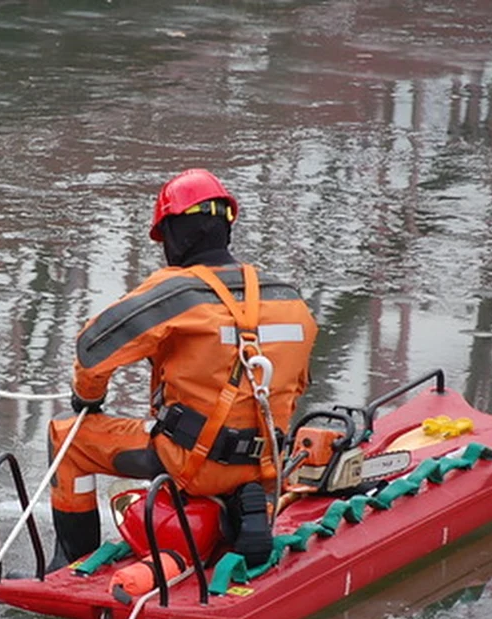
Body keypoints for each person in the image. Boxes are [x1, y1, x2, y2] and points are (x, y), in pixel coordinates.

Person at [46, 168, 318, 569]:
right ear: (226, 229)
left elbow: (91, 349)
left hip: (193, 462)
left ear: (173, 235)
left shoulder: (177, 293)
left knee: (67, 437)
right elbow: (295, 386)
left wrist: (88, 397)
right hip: (268, 465)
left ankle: (69, 563)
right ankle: (237, 505)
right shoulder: (291, 299)